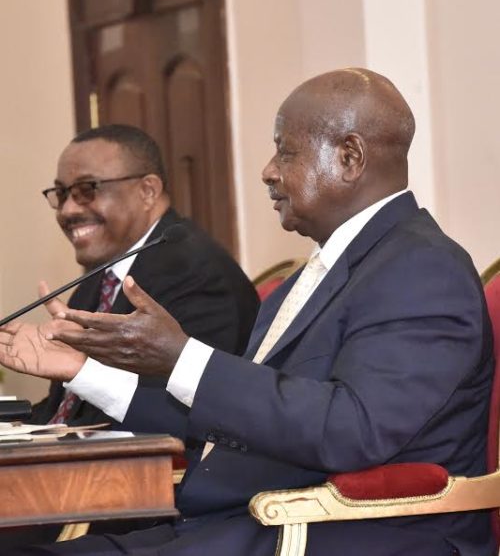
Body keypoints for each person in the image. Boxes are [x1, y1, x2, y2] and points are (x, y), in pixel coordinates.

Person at [0, 68, 494, 556]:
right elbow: (236, 417)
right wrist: (82, 371)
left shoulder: (422, 269)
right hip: (246, 523)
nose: (268, 171)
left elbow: (351, 431)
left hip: (345, 534)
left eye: (286, 151)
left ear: (349, 157)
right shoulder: (311, 278)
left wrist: (182, 357)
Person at [30, 124, 261, 427]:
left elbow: (179, 419)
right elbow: (67, 412)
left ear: (148, 191)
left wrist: (80, 369)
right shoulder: (101, 278)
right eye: (61, 193)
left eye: (87, 190)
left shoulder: (198, 276)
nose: (67, 210)